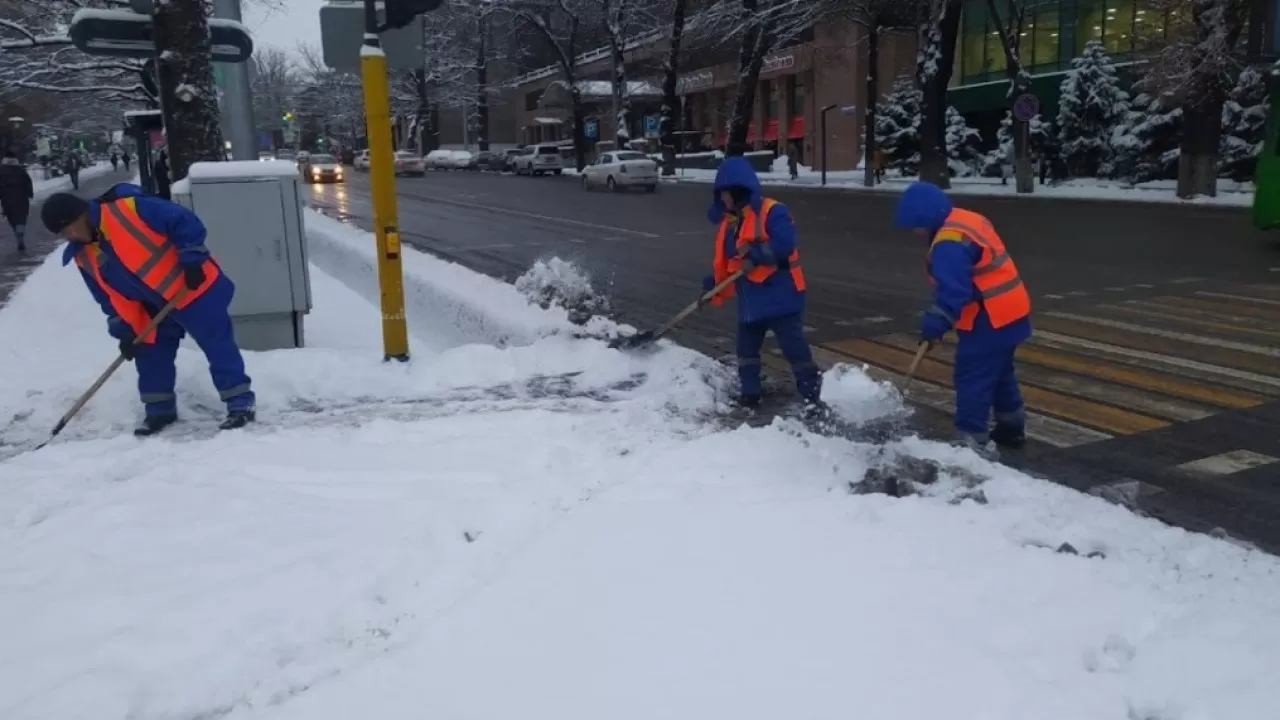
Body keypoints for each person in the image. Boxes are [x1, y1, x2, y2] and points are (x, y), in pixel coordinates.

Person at [40, 185, 256, 435]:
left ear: (80, 215)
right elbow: (106, 298)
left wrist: (191, 259)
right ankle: (159, 412)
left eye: (68, 230)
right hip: (151, 306)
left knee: (217, 345)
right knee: (150, 354)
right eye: (63, 234)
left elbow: (183, 221)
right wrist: (124, 331)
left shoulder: (129, 209)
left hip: (191, 288)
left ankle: (240, 404)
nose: (70, 237)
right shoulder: (83, 254)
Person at [894, 181, 1032, 455]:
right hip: (1012, 312)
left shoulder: (949, 244)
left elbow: (954, 292)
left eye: (916, 226)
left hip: (989, 318)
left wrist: (934, 324)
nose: (915, 233)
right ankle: (1011, 427)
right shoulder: (966, 218)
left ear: (926, 219)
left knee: (973, 378)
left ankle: (970, 445)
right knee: (1000, 372)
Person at [703, 156, 822, 412]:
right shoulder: (730, 223)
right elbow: (729, 261)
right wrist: (713, 283)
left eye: (724, 193)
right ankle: (750, 395)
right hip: (751, 299)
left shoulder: (773, 211)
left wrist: (756, 255)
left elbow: (784, 244)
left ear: (737, 190)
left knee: (794, 349)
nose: (722, 199)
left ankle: (810, 395)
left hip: (781, 295)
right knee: (745, 351)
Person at [0, 150, 33, 252]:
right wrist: (30, 194)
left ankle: (18, 237)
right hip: (22, 198)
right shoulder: (21, 170)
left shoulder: (1, 171)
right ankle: (21, 236)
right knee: (21, 218)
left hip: (7, 199)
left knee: (12, 219)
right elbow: (28, 182)